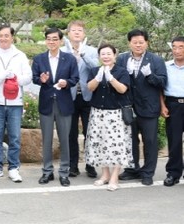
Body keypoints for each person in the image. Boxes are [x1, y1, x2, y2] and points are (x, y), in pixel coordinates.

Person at [117, 29, 167, 186]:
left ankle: (148, 172)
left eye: (141, 42)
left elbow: (163, 82)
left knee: (150, 141)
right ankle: (132, 169)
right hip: (128, 106)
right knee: (130, 140)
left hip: (149, 106)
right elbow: (117, 79)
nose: (138, 45)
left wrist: (150, 75)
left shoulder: (156, 60)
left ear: (147, 43)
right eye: (135, 42)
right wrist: (127, 74)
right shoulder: (122, 59)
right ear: (129, 43)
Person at [0, 25, 32, 183]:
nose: (3, 38)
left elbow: (28, 77)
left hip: (15, 102)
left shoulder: (20, 55)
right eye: (0, 35)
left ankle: (13, 168)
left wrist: (15, 78)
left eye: (6, 36)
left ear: (12, 37)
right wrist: (2, 76)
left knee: (14, 137)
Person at [32, 28, 79, 187]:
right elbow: (34, 78)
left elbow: (75, 78)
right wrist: (41, 80)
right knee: (46, 139)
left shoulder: (69, 58)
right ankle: (47, 171)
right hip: (46, 102)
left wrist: (67, 83)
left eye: (55, 39)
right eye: (49, 39)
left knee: (64, 139)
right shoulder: (39, 58)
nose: (51, 42)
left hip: (64, 103)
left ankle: (64, 172)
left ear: (60, 41)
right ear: (45, 40)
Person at [84, 44, 133, 191]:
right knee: (100, 143)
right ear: (99, 57)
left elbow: (123, 89)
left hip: (115, 113)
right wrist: (98, 78)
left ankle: (114, 176)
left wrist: (111, 78)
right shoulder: (94, 70)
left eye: (108, 54)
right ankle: (105, 174)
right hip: (97, 112)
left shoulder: (121, 71)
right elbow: (90, 87)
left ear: (114, 55)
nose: (106, 56)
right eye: (103, 54)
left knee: (117, 145)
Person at [63, 20, 99, 179]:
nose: (77, 33)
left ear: (84, 34)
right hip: (68, 96)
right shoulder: (63, 51)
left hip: (87, 96)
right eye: (74, 30)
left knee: (89, 132)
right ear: (68, 33)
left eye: (80, 30)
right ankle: (73, 165)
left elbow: (95, 68)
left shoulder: (91, 51)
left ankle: (90, 165)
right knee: (71, 133)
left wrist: (82, 55)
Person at [160, 36, 184, 187]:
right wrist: (162, 105)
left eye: (181, 47)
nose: (177, 50)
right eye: (174, 47)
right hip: (173, 105)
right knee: (174, 141)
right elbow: (159, 88)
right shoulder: (166, 66)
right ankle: (173, 173)